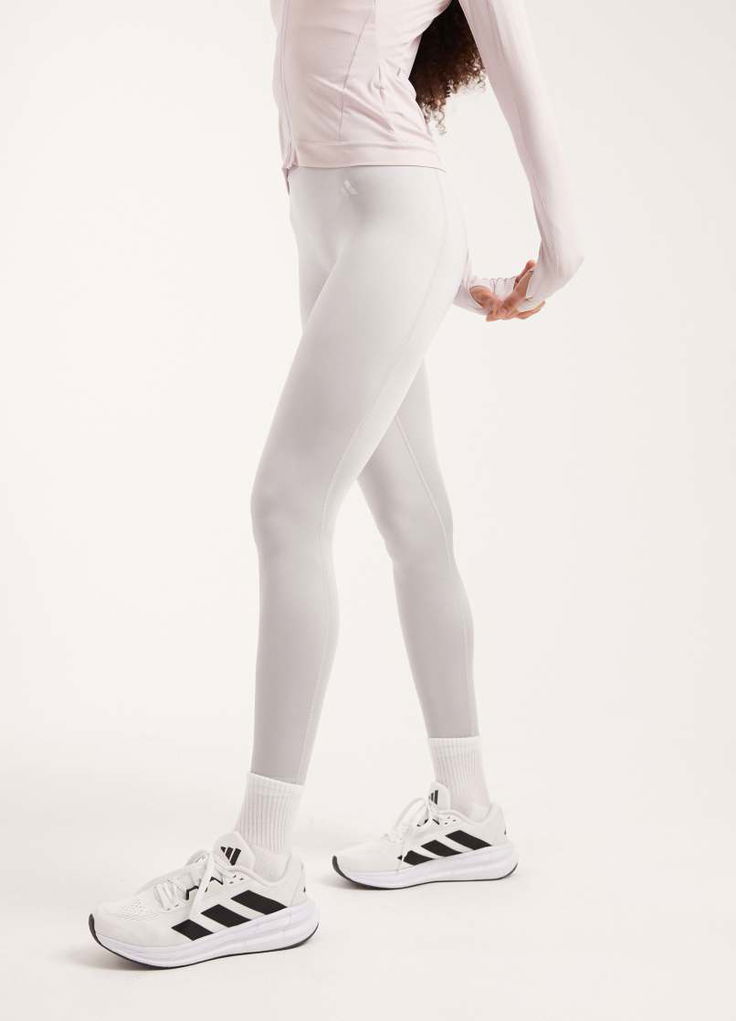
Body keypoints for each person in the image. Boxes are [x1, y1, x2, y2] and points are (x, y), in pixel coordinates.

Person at [89, 0, 582, 967]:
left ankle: (265, 865)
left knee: (287, 505)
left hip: (389, 216)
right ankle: (470, 811)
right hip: (336, 221)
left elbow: (518, 68)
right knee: (414, 521)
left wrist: (558, 254)